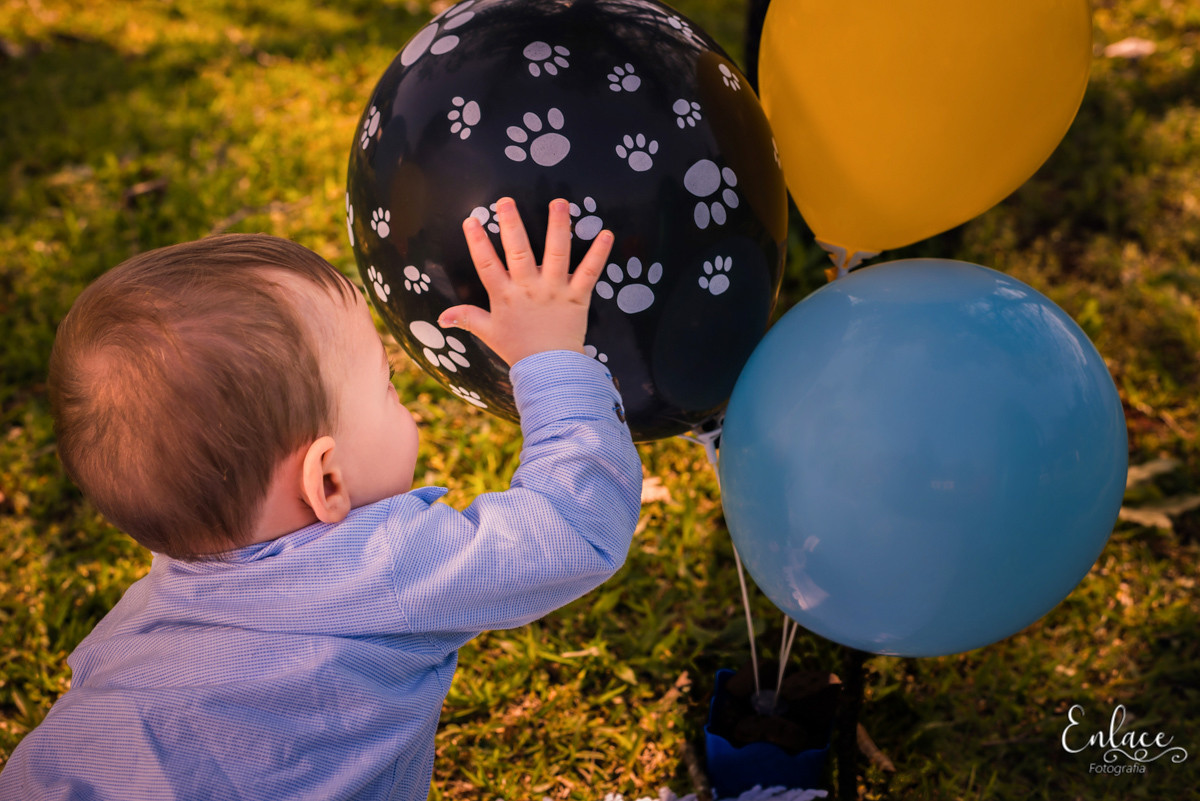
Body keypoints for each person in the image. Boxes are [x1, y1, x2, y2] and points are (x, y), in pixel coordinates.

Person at [0, 197, 643, 800]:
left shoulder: (144, 623)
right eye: (388, 385)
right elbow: (573, 528)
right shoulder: (380, 571)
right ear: (327, 480)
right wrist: (552, 359)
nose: (404, 396)